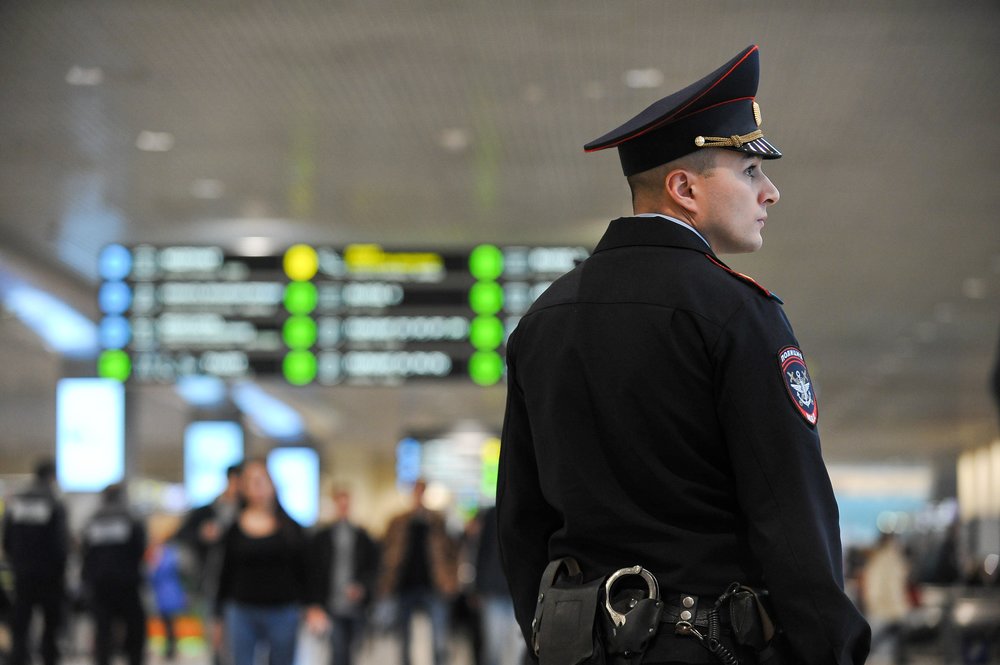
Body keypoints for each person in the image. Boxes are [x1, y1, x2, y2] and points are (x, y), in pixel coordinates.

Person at [497, 44, 871, 665]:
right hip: (708, 647)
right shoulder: (738, 315)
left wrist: (551, 639)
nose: (770, 191)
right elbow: (790, 512)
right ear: (683, 188)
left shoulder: (544, 320)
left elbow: (519, 521)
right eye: (750, 171)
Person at [215, 458, 308, 665]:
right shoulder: (234, 529)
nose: (257, 485)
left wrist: (311, 605)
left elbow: (304, 570)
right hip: (242, 610)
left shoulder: (291, 528)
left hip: (283, 610)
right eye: (250, 480)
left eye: (261, 479)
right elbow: (225, 572)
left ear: (272, 483)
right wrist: (218, 616)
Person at [377, 479, 458, 665]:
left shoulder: (437, 521)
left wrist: (450, 579)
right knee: (403, 638)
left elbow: (452, 551)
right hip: (404, 584)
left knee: (439, 638)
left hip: (434, 584)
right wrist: (386, 581)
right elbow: (386, 552)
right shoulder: (398, 521)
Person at [2, 459, 68, 665]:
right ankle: (49, 659)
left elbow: (6, 539)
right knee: (50, 623)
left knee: (21, 621)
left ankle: (19, 658)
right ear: (52, 476)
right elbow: (60, 543)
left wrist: (17, 562)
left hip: (22, 573)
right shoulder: (54, 502)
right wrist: (60, 570)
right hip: (49, 575)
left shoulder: (16, 503)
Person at [305, 487, 379, 665]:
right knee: (338, 651)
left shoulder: (363, 537)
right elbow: (313, 571)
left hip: (355, 605)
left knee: (352, 650)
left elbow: (372, 569)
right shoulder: (321, 537)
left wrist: (362, 587)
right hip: (331, 603)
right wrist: (314, 604)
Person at [81, 483, 147, 665]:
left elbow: (86, 553)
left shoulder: (93, 520)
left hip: (100, 584)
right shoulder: (131, 519)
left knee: (103, 631)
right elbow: (139, 549)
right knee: (135, 629)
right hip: (127, 584)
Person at [473, 506, 523, 665]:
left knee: (518, 649)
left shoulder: (526, 507)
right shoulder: (491, 514)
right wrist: (478, 587)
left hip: (517, 593)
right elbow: (481, 551)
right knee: (494, 646)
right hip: (494, 590)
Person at [861, 533, 911, 664]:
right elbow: (898, 588)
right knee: (888, 653)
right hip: (893, 612)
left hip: (878, 612)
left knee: (878, 653)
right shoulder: (895, 560)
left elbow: (872, 589)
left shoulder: (875, 560)